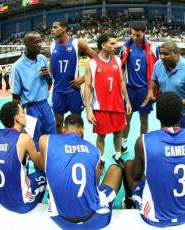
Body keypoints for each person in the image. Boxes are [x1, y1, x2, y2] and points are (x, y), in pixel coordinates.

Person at [123, 92, 185, 227]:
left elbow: (136, 175)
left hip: (155, 217)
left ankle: (130, 201)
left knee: (128, 165)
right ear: (181, 114)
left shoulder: (144, 141)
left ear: (157, 115)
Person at [39, 114, 122, 229]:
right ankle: (128, 201)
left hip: (60, 218)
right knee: (115, 169)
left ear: (63, 129)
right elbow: (94, 184)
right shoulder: (94, 150)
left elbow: (46, 169)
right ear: (82, 130)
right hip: (94, 219)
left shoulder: (45, 141)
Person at [0, 102, 46, 213]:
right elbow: (42, 166)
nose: (25, 115)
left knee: (19, 167)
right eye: (23, 113)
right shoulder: (24, 139)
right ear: (17, 119)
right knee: (46, 175)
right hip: (21, 204)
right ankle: (41, 206)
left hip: (0, 199)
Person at [84, 33, 132, 163]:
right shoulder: (91, 64)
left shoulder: (117, 60)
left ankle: (117, 156)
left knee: (118, 132)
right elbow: (87, 87)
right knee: (101, 136)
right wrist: (88, 110)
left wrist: (127, 101)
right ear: (103, 45)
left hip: (117, 105)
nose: (115, 46)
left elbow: (121, 81)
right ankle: (101, 159)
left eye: (115, 43)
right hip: (100, 107)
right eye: (112, 43)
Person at [49, 20, 97, 134]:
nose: (52, 29)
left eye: (55, 27)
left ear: (64, 28)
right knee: (59, 124)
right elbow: (51, 68)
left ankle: (80, 146)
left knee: (77, 123)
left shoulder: (77, 43)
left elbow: (97, 60)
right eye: (52, 27)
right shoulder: (51, 46)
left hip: (73, 91)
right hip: (57, 92)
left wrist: (84, 77)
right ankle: (61, 148)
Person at [142, 41, 185, 130]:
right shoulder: (158, 64)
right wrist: (150, 91)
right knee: (168, 139)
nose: (162, 57)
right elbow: (154, 80)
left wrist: (178, 103)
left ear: (176, 53)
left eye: (166, 54)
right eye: (161, 53)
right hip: (168, 112)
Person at [11, 31, 56, 149]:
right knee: (35, 141)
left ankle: (49, 165)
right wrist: (18, 118)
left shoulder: (42, 59)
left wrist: (48, 77)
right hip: (31, 109)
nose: (40, 44)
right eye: (36, 42)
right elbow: (15, 97)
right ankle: (39, 167)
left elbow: (49, 83)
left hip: (45, 105)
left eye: (40, 41)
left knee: (51, 137)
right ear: (27, 44)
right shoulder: (17, 67)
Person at [119, 21, 159, 153]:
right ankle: (123, 144)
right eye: (133, 34)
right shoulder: (126, 47)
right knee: (127, 117)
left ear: (144, 33)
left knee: (144, 119)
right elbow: (120, 67)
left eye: (138, 35)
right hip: (130, 89)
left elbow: (158, 70)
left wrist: (154, 90)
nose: (135, 37)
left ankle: (142, 144)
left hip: (144, 91)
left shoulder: (153, 49)